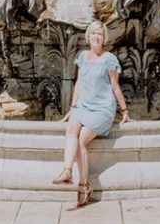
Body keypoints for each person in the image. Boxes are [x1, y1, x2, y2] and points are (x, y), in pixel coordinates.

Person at [52, 20, 130, 207]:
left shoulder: (109, 59)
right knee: (71, 129)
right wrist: (73, 108)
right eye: (93, 33)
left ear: (104, 38)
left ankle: (83, 185)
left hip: (102, 109)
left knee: (81, 140)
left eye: (100, 34)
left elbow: (115, 86)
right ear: (88, 36)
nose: (96, 37)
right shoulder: (82, 56)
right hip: (84, 106)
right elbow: (79, 82)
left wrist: (125, 110)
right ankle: (67, 171)